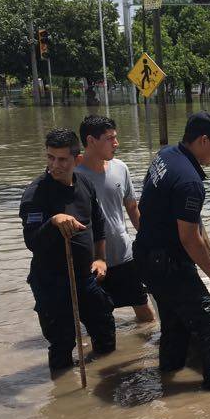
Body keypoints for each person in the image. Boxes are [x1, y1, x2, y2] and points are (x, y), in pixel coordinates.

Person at [133, 111, 210, 392]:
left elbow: (145, 206)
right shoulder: (190, 181)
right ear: (203, 140)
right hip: (167, 263)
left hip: (146, 255)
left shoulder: (165, 156)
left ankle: (168, 377)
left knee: (175, 322)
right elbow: (190, 238)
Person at [19, 128, 116, 375]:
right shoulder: (35, 194)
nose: (55, 165)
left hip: (85, 276)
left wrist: (100, 258)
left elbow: (98, 222)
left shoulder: (84, 183)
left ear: (77, 159)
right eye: (50, 157)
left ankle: (105, 381)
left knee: (104, 329)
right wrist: (52, 222)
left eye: (62, 159)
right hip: (51, 281)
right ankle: (62, 398)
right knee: (62, 343)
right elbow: (32, 241)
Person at [75, 115, 156, 323]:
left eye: (115, 137)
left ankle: (148, 352)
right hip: (91, 262)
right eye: (109, 138)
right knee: (98, 320)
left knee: (146, 314)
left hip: (124, 255)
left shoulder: (121, 168)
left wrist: (149, 240)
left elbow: (132, 207)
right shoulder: (73, 175)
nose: (116, 143)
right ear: (91, 141)